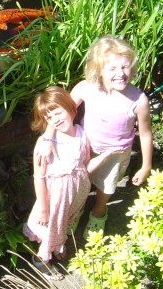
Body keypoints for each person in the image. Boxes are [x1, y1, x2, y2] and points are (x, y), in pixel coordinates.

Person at [36, 35, 153, 240]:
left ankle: (99, 211)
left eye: (125, 67)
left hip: (115, 153)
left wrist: (146, 166)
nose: (121, 74)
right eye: (113, 69)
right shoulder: (85, 88)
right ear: (98, 69)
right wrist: (47, 137)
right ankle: (77, 208)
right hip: (84, 147)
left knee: (106, 186)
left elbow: (145, 134)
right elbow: (61, 111)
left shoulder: (138, 100)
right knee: (80, 182)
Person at [23, 86, 116, 280]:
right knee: (51, 228)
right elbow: (39, 176)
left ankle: (57, 245)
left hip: (75, 194)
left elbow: (85, 166)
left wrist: (108, 154)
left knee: (64, 223)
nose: (55, 119)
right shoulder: (45, 144)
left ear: (71, 108)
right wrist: (42, 207)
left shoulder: (82, 134)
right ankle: (41, 260)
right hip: (54, 199)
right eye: (49, 118)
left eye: (58, 112)